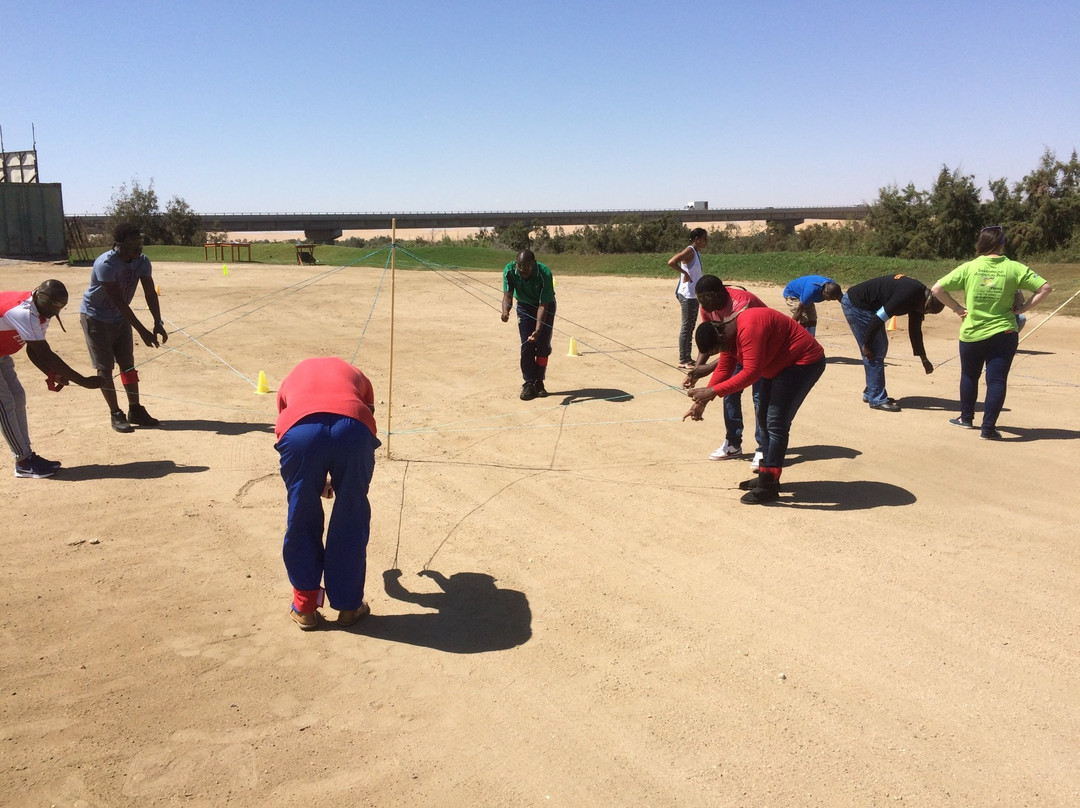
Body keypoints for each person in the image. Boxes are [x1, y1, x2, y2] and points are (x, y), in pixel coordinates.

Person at [275, 356, 380, 630]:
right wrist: (336, 471)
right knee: (351, 515)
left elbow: (285, 417)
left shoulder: (292, 376)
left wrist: (316, 476)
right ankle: (349, 607)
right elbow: (367, 411)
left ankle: (305, 607)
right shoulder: (357, 374)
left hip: (300, 432)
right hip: (354, 430)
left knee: (301, 515)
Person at [684, 306, 826, 504]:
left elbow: (750, 373)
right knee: (763, 418)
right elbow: (725, 367)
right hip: (776, 365)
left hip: (802, 363)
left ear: (722, 335)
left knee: (776, 422)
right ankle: (767, 473)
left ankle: (768, 484)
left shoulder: (748, 329)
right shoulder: (727, 335)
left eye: (719, 349)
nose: (723, 352)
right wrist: (702, 401)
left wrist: (713, 391)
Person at [931, 225, 1052, 440]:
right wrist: (1023, 309)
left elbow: (937, 289)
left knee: (969, 375)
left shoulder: (970, 267)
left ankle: (966, 418)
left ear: (981, 244)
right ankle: (988, 429)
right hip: (1003, 332)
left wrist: (957, 308)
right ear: (1002, 244)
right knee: (996, 381)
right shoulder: (1014, 267)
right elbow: (1045, 288)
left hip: (972, 332)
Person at [0, 280, 103, 478]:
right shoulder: (23, 312)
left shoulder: (42, 312)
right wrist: (83, 381)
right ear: (40, 297)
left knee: (18, 396)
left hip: (2, 352)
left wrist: (51, 373)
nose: (54, 313)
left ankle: (27, 456)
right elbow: (45, 353)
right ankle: (23, 461)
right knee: (5, 403)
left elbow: (33, 349)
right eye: (52, 308)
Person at [80, 222, 168, 433]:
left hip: (120, 318)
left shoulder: (142, 262)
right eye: (133, 241)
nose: (139, 246)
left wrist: (157, 322)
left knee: (127, 365)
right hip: (96, 317)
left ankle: (135, 409)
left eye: (140, 240)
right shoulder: (106, 264)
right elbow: (119, 302)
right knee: (105, 367)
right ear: (119, 244)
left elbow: (149, 292)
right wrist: (142, 331)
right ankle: (115, 413)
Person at [683, 274, 768, 468]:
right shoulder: (708, 308)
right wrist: (696, 370)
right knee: (728, 392)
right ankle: (733, 443)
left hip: (760, 349)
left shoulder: (741, 305)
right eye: (700, 300)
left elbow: (732, 348)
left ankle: (763, 448)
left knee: (760, 398)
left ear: (720, 293)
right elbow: (711, 342)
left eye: (707, 298)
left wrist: (707, 369)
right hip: (734, 349)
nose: (703, 304)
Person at [840, 273, 944, 412]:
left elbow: (915, 331)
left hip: (869, 308)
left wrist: (923, 358)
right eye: (927, 310)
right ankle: (877, 398)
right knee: (875, 351)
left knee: (882, 346)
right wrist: (866, 343)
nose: (924, 313)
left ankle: (871, 391)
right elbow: (879, 317)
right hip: (858, 305)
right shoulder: (908, 293)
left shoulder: (919, 300)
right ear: (927, 301)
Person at [500, 249, 556, 401]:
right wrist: (505, 311)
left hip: (545, 306)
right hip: (524, 307)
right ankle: (529, 383)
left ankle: (539, 382)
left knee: (542, 345)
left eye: (527, 269)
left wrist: (538, 330)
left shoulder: (544, 273)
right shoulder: (509, 271)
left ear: (534, 264)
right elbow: (508, 295)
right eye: (520, 269)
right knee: (527, 344)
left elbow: (543, 306)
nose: (523, 272)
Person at [667, 228, 708, 368]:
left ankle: (686, 357)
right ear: (696, 239)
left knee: (689, 326)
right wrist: (684, 273)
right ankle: (683, 359)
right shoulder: (690, 251)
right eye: (704, 238)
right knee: (687, 326)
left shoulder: (695, 252)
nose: (706, 241)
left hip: (693, 294)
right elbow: (672, 262)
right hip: (688, 295)